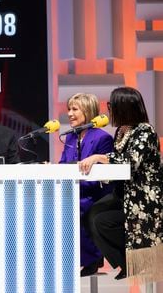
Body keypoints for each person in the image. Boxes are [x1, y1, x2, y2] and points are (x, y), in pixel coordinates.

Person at [79, 87, 163, 283]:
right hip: (122, 194)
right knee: (91, 214)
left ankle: (136, 262)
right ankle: (127, 263)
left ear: (123, 107)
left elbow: (130, 161)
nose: (109, 109)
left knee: (102, 221)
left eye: (111, 105)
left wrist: (98, 157)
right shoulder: (120, 131)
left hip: (142, 198)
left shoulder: (145, 131)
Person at [59, 93, 114, 277]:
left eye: (75, 109)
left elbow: (106, 172)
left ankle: (93, 258)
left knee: (76, 208)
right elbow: (64, 164)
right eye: (69, 109)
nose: (70, 113)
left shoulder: (102, 138)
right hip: (74, 191)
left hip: (93, 193)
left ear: (88, 111)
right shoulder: (71, 137)